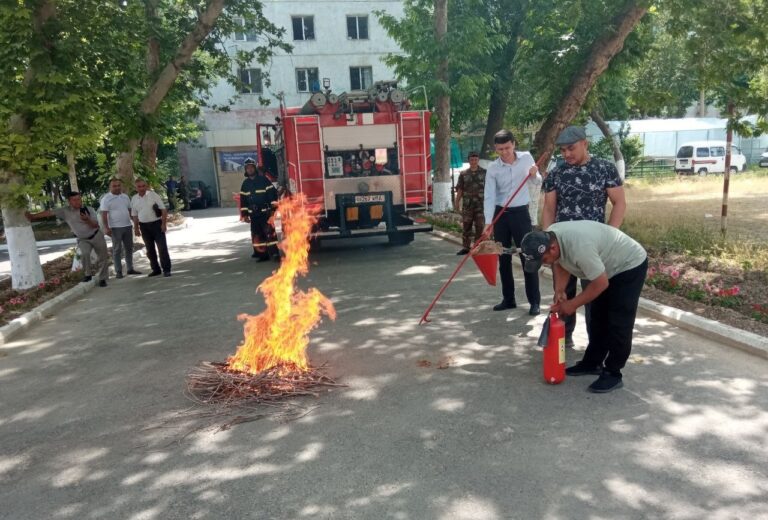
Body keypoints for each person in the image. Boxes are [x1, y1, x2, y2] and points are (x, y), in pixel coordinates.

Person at [520, 221, 647, 393]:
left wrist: (572, 304)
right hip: (604, 266)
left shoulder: (580, 247)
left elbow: (600, 283)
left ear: (552, 248)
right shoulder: (551, 236)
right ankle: (592, 362)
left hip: (628, 265)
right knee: (597, 317)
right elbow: (559, 262)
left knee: (619, 321)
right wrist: (560, 289)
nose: (543, 264)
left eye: (543, 260)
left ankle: (613, 373)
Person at [541, 125, 627, 348]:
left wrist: (611, 234)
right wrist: (548, 240)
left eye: (571, 148)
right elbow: (549, 208)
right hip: (561, 246)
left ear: (585, 144)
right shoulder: (556, 174)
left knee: (595, 294)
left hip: (592, 246)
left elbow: (619, 202)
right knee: (562, 293)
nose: (566, 154)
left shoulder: (604, 169)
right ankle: (563, 337)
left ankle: (596, 344)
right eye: (562, 151)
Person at [483, 130, 542, 315]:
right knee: (504, 258)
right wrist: (488, 221)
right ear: (495, 149)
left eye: (507, 147)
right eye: (500, 149)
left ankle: (534, 302)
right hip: (501, 215)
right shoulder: (493, 168)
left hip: (520, 214)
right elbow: (489, 196)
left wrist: (534, 174)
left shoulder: (526, 158)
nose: (504, 152)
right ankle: (508, 299)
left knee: (528, 256)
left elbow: (537, 181)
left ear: (514, 144)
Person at [26, 191, 109, 287]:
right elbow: (49, 212)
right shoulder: (65, 211)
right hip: (83, 239)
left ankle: (103, 278)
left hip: (96, 235)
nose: (78, 202)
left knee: (103, 257)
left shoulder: (88, 209)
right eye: (74, 200)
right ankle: (87, 274)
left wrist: (87, 220)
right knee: (84, 254)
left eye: (79, 199)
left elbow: (95, 225)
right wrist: (33, 216)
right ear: (69, 201)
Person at [100, 178, 141, 279]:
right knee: (117, 249)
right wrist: (106, 227)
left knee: (129, 248)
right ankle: (118, 271)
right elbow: (103, 214)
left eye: (119, 185)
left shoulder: (125, 197)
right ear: (110, 187)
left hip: (127, 226)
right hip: (115, 228)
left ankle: (130, 268)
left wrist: (136, 224)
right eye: (114, 186)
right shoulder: (106, 198)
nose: (117, 187)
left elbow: (130, 210)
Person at [130, 179, 172, 277]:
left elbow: (163, 210)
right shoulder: (134, 199)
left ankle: (166, 269)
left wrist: (163, 224)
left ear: (146, 186)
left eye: (143, 186)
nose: (141, 188)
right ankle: (155, 269)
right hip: (144, 226)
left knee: (162, 248)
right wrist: (136, 228)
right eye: (139, 186)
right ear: (136, 188)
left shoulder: (153, 195)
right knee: (150, 249)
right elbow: (135, 215)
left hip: (156, 224)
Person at [239, 159, 279, 262]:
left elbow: (272, 195)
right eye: (247, 168)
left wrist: (273, 211)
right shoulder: (245, 184)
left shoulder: (263, 180)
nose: (250, 169)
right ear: (245, 170)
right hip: (254, 215)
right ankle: (262, 255)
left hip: (265, 213)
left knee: (270, 234)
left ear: (255, 168)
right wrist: (245, 214)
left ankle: (275, 254)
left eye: (251, 167)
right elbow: (243, 200)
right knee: (257, 236)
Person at [454, 151, 486, 255]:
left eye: (475, 159)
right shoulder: (463, 174)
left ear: (478, 160)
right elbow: (460, 189)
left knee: (480, 226)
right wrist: (457, 202)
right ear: (469, 160)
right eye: (472, 160)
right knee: (466, 226)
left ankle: (478, 247)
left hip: (481, 205)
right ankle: (466, 247)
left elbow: (489, 188)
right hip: (468, 205)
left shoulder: (484, 173)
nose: (474, 162)